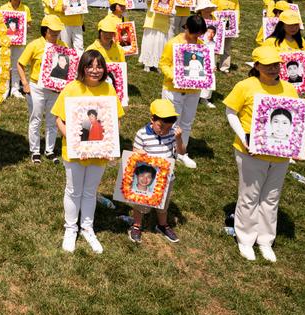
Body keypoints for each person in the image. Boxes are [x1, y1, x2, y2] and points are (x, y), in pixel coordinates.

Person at [223, 45, 302, 262]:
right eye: (267, 65)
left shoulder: (289, 89)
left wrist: (296, 149)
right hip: (250, 152)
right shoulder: (245, 86)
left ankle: (265, 240)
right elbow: (231, 112)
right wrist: (243, 137)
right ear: (256, 66)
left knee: (271, 197)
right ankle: (245, 239)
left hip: (280, 155)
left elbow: (295, 121)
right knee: (249, 196)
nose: (273, 69)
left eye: (276, 65)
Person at [53, 49, 123, 254]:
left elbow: (115, 118)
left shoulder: (108, 90)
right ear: (82, 67)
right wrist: (72, 139)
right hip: (75, 151)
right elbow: (59, 118)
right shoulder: (71, 88)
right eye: (90, 66)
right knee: (73, 190)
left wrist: (109, 140)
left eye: (99, 66)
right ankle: (70, 228)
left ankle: (87, 227)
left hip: (99, 152)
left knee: (90, 191)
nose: (95, 70)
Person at [127, 98, 184, 244]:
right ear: (152, 119)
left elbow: (182, 152)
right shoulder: (142, 134)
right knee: (140, 202)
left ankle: (163, 225)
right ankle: (137, 225)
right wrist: (139, 153)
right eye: (161, 126)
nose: (164, 130)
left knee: (163, 204)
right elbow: (134, 152)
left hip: (166, 176)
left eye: (168, 127)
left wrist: (178, 139)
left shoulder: (172, 133)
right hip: (147, 175)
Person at [158, 15, 208, 169]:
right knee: (170, 122)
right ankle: (166, 151)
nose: (197, 37)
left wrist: (208, 70)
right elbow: (163, 64)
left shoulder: (201, 45)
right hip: (174, 90)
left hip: (193, 91)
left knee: (187, 121)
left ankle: (181, 152)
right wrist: (175, 76)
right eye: (195, 33)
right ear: (187, 28)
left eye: (200, 34)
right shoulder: (173, 43)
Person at [18, 14, 66, 163]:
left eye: (57, 32)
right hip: (36, 88)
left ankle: (50, 150)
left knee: (53, 120)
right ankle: (35, 151)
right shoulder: (34, 45)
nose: (55, 34)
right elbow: (20, 64)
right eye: (52, 31)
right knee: (36, 119)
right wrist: (25, 84)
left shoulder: (63, 46)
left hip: (55, 90)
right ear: (45, 30)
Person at [0, 0, 27, 99]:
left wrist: (25, 26)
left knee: (17, 65)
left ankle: (15, 89)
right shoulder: (2, 8)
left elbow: (28, 23)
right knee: (5, 66)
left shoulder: (25, 9)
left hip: (19, 42)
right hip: (6, 42)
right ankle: (4, 89)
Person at [139, 0, 171, 72]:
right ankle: (147, 64)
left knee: (160, 45)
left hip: (163, 24)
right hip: (151, 23)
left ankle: (157, 64)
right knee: (149, 43)